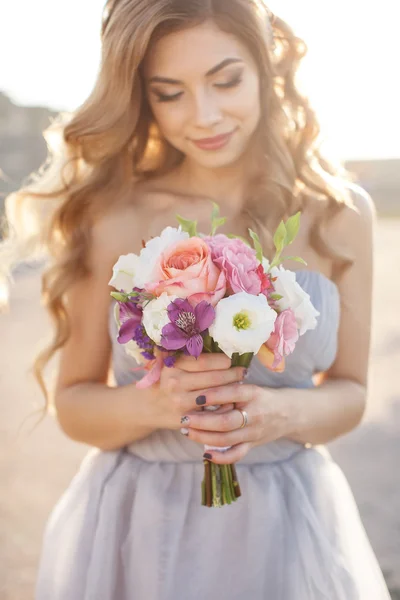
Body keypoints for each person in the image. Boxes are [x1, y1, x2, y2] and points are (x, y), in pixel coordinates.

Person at [1, 0, 391, 598]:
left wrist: (274, 415)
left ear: (267, 65)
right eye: (169, 93)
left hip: (287, 523)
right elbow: (76, 404)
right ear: (141, 96)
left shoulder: (339, 214)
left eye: (225, 80)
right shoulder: (111, 215)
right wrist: (166, 403)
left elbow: (352, 393)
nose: (204, 116)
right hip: (137, 526)